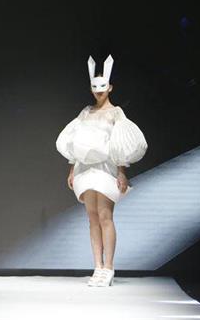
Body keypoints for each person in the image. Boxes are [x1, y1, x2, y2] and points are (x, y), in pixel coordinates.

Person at [56, 55, 147, 287]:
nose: (98, 91)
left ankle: (109, 267)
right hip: (85, 168)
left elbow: (120, 143)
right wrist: (72, 169)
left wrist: (121, 171)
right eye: (95, 87)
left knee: (105, 216)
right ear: (90, 88)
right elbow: (74, 141)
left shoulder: (116, 113)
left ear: (110, 87)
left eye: (102, 86)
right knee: (92, 217)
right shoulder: (85, 112)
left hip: (106, 168)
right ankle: (97, 266)